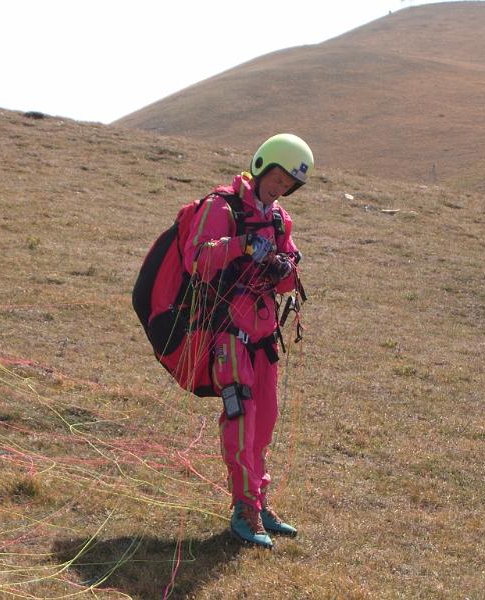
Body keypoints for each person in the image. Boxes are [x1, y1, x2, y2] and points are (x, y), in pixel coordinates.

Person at [182, 133, 314, 549]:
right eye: (277, 179)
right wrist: (242, 245)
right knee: (242, 419)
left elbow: (289, 278)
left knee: (266, 420)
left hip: (263, 336)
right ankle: (244, 509)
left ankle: (260, 500)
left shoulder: (279, 219)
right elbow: (197, 257)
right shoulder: (221, 207)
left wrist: (282, 267)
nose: (280, 189)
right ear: (262, 166)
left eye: (288, 185)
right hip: (227, 334)